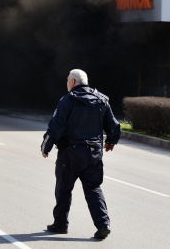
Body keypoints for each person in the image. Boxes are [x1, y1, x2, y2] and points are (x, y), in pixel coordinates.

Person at [41, 69, 120, 240]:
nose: (67, 83)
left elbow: (56, 126)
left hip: (70, 154)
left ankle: (61, 224)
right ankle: (103, 225)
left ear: (74, 82)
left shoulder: (68, 100)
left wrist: (46, 146)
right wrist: (111, 141)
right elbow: (113, 125)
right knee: (93, 188)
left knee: (63, 188)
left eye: (68, 80)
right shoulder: (102, 99)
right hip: (94, 154)